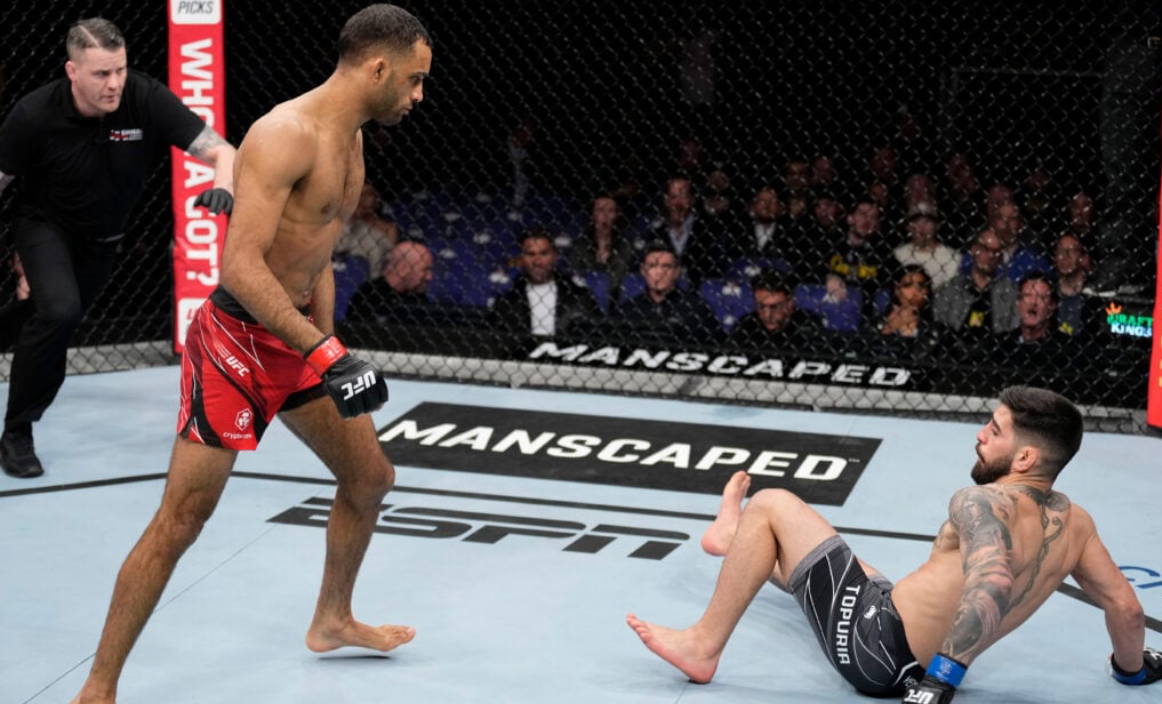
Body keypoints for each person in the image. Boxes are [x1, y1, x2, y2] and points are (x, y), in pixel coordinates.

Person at [69, 6, 430, 702]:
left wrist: (328, 347)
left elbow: (318, 254)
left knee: (370, 479)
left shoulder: (351, 139)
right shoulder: (285, 133)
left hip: (297, 341)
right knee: (183, 519)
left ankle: (332, 619)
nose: (419, 95)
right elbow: (239, 268)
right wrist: (324, 351)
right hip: (235, 343)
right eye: (414, 79)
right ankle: (97, 688)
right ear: (378, 67)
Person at [627, 386, 1161, 701]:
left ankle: (703, 646)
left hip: (877, 648)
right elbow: (1127, 609)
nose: (980, 434)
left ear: (1024, 459)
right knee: (846, 564)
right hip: (902, 638)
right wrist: (1132, 670)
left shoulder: (981, 502)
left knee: (771, 503)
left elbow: (992, 582)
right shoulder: (1079, 523)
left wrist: (943, 680)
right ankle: (735, 539)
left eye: (995, 431)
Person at [0, 18, 237, 479]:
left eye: (120, 70)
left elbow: (221, 151)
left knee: (47, 317)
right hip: (45, 226)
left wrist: (223, 186)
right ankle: (17, 432)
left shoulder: (144, 97)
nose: (113, 84)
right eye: (101, 74)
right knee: (60, 311)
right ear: (72, 71)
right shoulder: (34, 113)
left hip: (103, 239)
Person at [490, 228, 601, 338]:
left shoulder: (581, 298)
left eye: (543, 253)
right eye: (531, 254)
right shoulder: (507, 303)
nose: (537, 262)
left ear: (554, 256)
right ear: (522, 258)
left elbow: (598, 336)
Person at [614, 240, 722, 346]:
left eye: (666, 266)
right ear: (643, 271)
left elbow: (716, 345)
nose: (659, 272)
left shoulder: (696, 309)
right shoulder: (628, 309)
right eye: (652, 266)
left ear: (677, 272)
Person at [344, 240, 444, 326]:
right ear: (403, 269)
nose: (429, 277)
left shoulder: (417, 298)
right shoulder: (369, 297)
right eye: (424, 270)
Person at [729, 270, 821, 352]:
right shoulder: (745, 326)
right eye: (761, 306)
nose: (767, 315)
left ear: (790, 303)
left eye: (775, 307)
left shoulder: (809, 325)